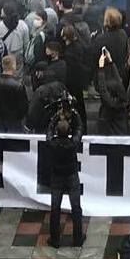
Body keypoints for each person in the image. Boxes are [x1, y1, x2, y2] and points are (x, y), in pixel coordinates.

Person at [40, 97, 87, 248]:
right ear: (68, 132)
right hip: (72, 176)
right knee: (76, 208)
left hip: (57, 177)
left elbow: (48, 131)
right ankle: (77, 239)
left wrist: (56, 117)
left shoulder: (52, 143)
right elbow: (80, 128)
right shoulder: (72, 144)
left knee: (55, 208)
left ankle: (55, 239)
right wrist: (74, 113)